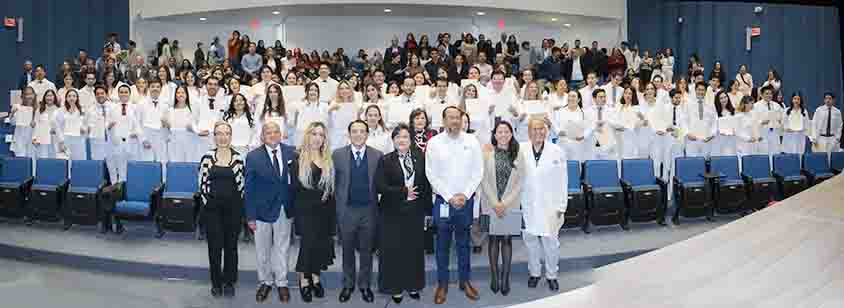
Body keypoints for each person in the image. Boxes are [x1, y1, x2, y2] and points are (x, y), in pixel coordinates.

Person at [425, 106, 483, 304]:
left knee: (463, 244)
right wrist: (450, 196)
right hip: (443, 201)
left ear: (462, 120)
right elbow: (431, 174)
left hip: (465, 201)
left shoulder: (472, 141)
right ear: (443, 121)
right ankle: (442, 284)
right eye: (450, 118)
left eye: (457, 118)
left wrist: (464, 195)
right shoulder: (434, 143)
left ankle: (465, 281)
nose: (454, 121)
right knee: (442, 246)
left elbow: (478, 171)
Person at [375, 123, 431, 303]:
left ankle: (413, 285)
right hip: (392, 213)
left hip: (414, 212)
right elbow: (380, 186)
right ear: (393, 140)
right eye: (398, 137)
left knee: (413, 250)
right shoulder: (385, 160)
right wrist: (403, 191)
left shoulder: (419, 157)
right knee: (394, 251)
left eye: (405, 137)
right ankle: (395, 288)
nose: (402, 140)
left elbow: (426, 185)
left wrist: (427, 211)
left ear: (410, 140)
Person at [245, 121, 297, 303]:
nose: (273, 135)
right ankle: (265, 281)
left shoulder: (292, 152)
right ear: (262, 136)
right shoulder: (253, 157)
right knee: (263, 251)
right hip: (261, 212)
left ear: (281, 134)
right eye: (269, 132)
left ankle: (282, 282)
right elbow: (249, 189)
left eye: (276, 132)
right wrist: (250, 216)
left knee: (282, 249)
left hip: (284, 208)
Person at [331, 120, 382, 303]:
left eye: (362, 131)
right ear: (349, 134)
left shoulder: (377, 156)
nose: (358, 134)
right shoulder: (337, 155)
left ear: (367, 134)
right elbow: (333, 185)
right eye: (354, 131)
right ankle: (348, 284)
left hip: (369, 211)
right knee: (347, 250)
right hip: (347, 211)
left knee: (367, 251)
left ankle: (365, 285)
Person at [198, 121, 245, 298]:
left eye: (226, 133)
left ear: (230, 136)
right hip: (213, 211)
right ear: (214, 136)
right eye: (219, 133)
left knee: (231, 248)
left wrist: (239, 210)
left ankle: (229, 282)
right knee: (215, 248)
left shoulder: (238, 158)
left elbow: (242, 187)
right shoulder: (207, 158)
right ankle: (216, 283)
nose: (222, 137)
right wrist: (208, 206)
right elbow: (201, 185)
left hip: (233, 210)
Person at [520, 118, 567, 292]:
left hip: (551, 205)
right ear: (529, 131)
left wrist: (561, 206)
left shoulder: (557, 151)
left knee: (551, 243)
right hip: (528, 204)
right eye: (534, 129)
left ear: (546, 131)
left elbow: (563, 181)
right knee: (531, 241)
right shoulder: (521, 149)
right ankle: (534, 272)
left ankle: (552, 275)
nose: (538, 132)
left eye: (541, 129)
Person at [479, 121, 525, 296]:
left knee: (506, 240)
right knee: (493, 240)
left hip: (509, 205)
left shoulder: (518, 153)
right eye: (500, 131)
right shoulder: (487, 153)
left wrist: (504, 203)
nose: (503, 134)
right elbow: (483, 179)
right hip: (491, 204)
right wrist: (495, 202)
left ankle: (505, 278)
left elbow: (520, 181)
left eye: (507, 131)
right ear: (495, 134)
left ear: (511, 134)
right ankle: (494, 276)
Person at [292, 122, 336, 303]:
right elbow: (294, 189)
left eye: (321, 135)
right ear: (308, 136)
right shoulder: (298, 159)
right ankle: (304, 279)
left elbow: (331, 189)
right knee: (308, 245)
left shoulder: (328, 160)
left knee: (319, 244)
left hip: (324, 211)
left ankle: (315, 277)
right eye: (314, 134)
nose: (317, 138)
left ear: (324, 139)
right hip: (305, 211)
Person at [106, 85, 141, 185]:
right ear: (118, 94)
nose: (123, 94)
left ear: (130, 94)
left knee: (132, 168)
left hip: (132, 142)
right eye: (121, 92)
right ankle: (121, 192)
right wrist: (109, 126)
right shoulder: (113, 108)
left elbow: (139, 123)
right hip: (118, 142)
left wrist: (136, 133)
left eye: (126, 92)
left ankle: (132, 189)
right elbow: (108, 125)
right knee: (120, 169)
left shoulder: (135, 107)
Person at [138, 80, 170, 163]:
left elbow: (167, 125)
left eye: (157, 87)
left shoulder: (166, 105)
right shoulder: (141, 104)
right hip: (147, 137)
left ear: (161, 89)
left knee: (162, 164)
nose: (155, 89)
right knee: (147, 164)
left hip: (161, 138)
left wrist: (166, 135)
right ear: (148, 88)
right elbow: (137, 123)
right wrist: (143, 139)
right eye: (152, 86)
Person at [685, 82, 717, 157]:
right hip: (692, 139)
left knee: (704, 164)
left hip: (706, 139)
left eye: (703, 90)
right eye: (699, 89)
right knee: (692, 162)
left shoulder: (710, 105)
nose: (701, 92)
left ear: (705, 91)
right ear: (695, 90)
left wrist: (712, 134)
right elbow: (683, 120)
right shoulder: (688, 104)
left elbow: (715, 121)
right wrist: (687, 133)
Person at [54, 89, 87, 160]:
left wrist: (84, 129)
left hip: (78, 141)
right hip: (65, 140)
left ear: (77, 98)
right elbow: (57, 127)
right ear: (66, 98)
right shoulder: (60, 111)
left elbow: (85, 125)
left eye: (74, 96)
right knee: (64, 162)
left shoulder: (82, 110)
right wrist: (61, 141)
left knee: (78, 162)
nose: (71, 98)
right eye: (69, 96)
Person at [752, 86, 783, 157]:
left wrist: (779, 121)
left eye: (770, 93)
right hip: (763, 132)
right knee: (763, 155)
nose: (769, 95)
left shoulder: (777, 106)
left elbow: (782, 119)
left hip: (774, 133)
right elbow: (753, 121)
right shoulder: (756, 106)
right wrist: (761, 122)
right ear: (761, 95)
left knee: (775, 153)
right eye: (767, 93)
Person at [712, 90, 737, 156]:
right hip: (719, 140)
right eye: (721, 98)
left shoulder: (733, 110)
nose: (724, 99)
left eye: (725, 97)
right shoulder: (715, 112)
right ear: (718, 100)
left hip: (731, 140)